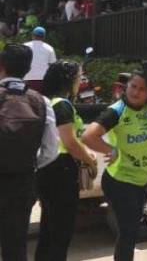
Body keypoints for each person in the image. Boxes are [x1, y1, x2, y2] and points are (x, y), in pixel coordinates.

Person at [82, 71, 147, 261]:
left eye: (142, 89)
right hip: (120, 180)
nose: (136, 92)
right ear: (126, 87)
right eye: (133, 86)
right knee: (130, 231)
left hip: (141, 179)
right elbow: (88, 136)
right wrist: (111, 149)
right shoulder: (117, 110)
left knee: (129, 232)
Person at [0, 44, 59, 261]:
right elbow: (51, 150)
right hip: (22, 183)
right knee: (15, 247)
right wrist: (29, 163)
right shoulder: (41, 101)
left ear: (1, 66)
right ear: (28, 68)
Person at [36, 61, 98, 261]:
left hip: (48, 168)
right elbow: (69, 142)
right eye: (79, 76)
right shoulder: (62, 105)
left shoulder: (48, 101)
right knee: (60, 232)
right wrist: (89, 159)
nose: (81, 80)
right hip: (61, 170)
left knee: (48, 229)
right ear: (69, 79)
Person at [23, 27, 56, 92]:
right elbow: (53, 65)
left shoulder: (25, 46)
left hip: (27, 79)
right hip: (43, 80)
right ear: (44, 37)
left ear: (32, 35)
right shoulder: (49, 48)